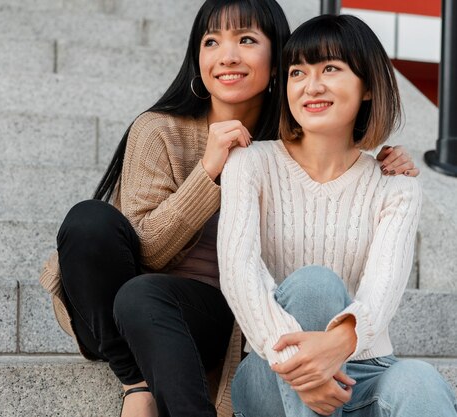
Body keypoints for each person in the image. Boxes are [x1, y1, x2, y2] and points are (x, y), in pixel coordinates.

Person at [39, 1, 419, 416]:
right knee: (91, 224)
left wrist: (377, 160)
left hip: (217, 316)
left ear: (279, 60)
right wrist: (207, 171)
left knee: (149, 295)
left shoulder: (288, 138)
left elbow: (336, 174)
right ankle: (137, 380)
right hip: (118, 311)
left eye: (247, 40)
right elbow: (145, 250)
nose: (228, 56)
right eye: (212, 41)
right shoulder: (159, 130)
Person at [218, 14, 457, 417]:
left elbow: (381, 295)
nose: (312, 86)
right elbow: (238, 272)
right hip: (274, 368)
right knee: (315, 285)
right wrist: (305, 368)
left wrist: (338, 345)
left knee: (422, 381)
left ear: (367, 86)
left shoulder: (396, 184)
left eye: (330, 68)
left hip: (367, 369)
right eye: (297, 72)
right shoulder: (250, 163)